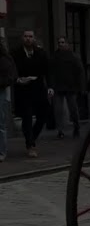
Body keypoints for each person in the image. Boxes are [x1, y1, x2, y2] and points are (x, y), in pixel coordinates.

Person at [12, 30, 52, 158]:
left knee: (43, 115)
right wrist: (17, 79)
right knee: (27, 116)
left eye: (30, 37)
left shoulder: (41, 53)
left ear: (34, 38)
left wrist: (50, 87)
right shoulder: (15, 53)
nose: (28, 39)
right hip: (23, 89)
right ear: (22, 38)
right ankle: (30, 145)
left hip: (38, 87)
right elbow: (11, 70)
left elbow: (48, 71)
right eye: (25, 36)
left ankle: (32, 137)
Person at [50, 36, 85, 139]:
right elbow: (51, 72)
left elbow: (80, 71)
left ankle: (76, 126)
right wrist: (51, 86)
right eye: (59, 42)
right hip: (58, 86)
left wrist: (81, 87)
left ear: (67, 44)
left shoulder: (73, 57)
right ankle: (60, 131)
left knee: (73, 109)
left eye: (63, 42)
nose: (61, 44)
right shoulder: (54, 57)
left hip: (71, 86)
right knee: (58, 110)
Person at [0, 39, 18, 162]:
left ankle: (2, 151)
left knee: (0, 123)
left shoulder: (4, 59)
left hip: (0, 91)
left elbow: (11, 76)